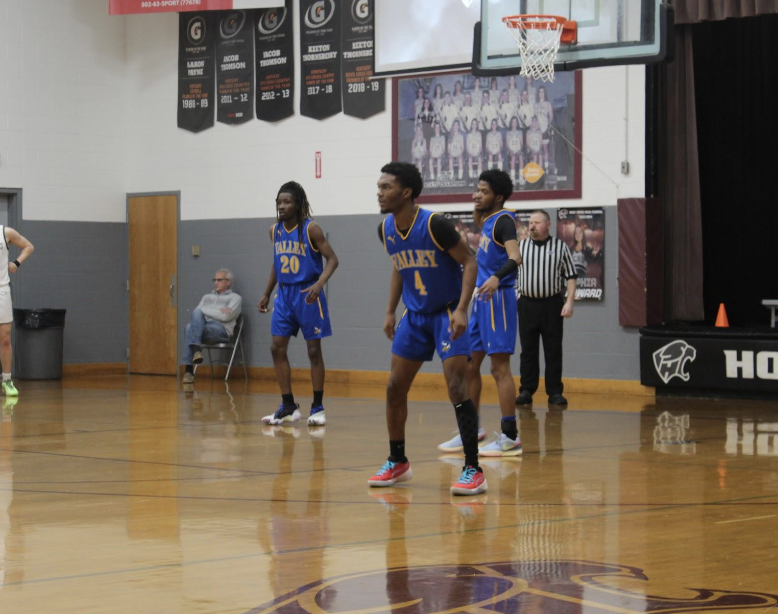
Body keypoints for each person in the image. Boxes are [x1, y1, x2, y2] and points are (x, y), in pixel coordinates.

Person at [369, 162, 485, 496]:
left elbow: (470, 261)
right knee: (394, 387)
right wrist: (390, 310)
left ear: (405, 192)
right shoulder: (385, 229)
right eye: (379, 187)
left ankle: (473, 469)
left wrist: (463, 308)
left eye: (386, 187)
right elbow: (399, 267)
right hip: (415, 315)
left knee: (456, 386)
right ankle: (397, 461)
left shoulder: (434, 224)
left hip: (447, 312)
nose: (379, 192)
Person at [438, 169, 522, 457]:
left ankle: (510, 436)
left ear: (498, 197)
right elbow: (477, 212)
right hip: (481, 301)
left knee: (499, 369)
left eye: (483, 191)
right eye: (476, 189)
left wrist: (498, 276)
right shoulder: (486, 220)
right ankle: (469, 430)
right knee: (469, 365)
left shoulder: (504, 221)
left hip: (498, 297)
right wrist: (480, 199)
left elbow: (515, 257)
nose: (476, 194)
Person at [258, 182, 339, 426]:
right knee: (276, 348)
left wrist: (319, 284)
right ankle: (288, 406)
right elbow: (277, 262)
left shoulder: (311, 229)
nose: (282, 207)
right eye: (279, 203)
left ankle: (317, 407)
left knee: (313, 351)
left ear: (298, 204)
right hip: (284, 295)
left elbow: (333, 260)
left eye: (287, 202)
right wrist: (266, 292)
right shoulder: (275, 231)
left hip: (308, 293)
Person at [515, 210, 576, 407]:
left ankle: (555, 392)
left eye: (537, 222)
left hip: (552, 304)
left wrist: (569, 302)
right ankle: (526, 390)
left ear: (547, 225)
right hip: (527, 304)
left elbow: (571, 276)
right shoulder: (520, 247)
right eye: (530, 222)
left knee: (553, 350)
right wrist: (516, 294)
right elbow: (511, 273)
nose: (532, 226)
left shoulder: (560, 247)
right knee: (528, 350)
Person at [182, 269, 242, 385]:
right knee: (190, 325)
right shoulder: (207, 297)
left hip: (221, 330)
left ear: (228, 282)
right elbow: (196, 314)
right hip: (204, 327)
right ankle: (191, 366)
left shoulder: (235, 298)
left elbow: (225, 318)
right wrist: (218, 311)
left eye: (219, 280)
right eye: (214, 280)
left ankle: (189, 369)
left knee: (190, 328)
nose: (216, 283)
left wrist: (204, 311)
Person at [0, 227, 34, 396]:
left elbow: (28, 246)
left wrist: (16, 263)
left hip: (2, 290)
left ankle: (7, 380)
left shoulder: (5, 233)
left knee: (5, 338)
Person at [506, 116, 525, 183]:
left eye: (515, 122)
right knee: (513, 157)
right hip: (511, 151)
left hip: (518, 150)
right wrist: (510, 151)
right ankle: (513, 177)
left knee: (520, 157)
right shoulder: (508, 133)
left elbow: (522, 144)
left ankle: (521, 177)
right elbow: (507, 145)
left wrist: (519, 150)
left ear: (517, 123)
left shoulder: (520, 132)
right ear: (511, 123)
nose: (514, 123)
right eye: (513, 122)